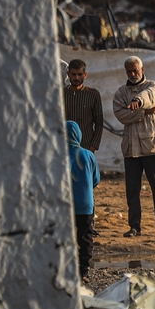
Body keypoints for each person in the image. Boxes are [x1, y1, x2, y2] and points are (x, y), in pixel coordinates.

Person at [112, 56, 155, 237]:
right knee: (132, 189)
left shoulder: (154, 86)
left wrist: (137, 103)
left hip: (152, 147)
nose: (132, 74)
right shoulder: (121, 93)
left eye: (135, 71)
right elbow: (120, 114)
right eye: (129, 71)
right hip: (131, 148)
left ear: (142, 70)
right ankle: (134, 226)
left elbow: (150, 97)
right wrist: (143, 112)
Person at [66, 121, 100, 280]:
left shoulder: (59, 156)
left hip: (65, 205)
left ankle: (66, 269)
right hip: (85, 204)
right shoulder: (88, 155)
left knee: (65, 237)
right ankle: (83, 272)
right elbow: (95, 179)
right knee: (85, 238)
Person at [64, 59, 104, 153]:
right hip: (65, 148)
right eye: (73, 74)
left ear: (85, 75)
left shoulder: (93, 94)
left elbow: (99, 123)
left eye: (80, 74)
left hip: (86, 148)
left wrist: (92, 147)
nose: (76, 78)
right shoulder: (61, 94)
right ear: (68, 74)